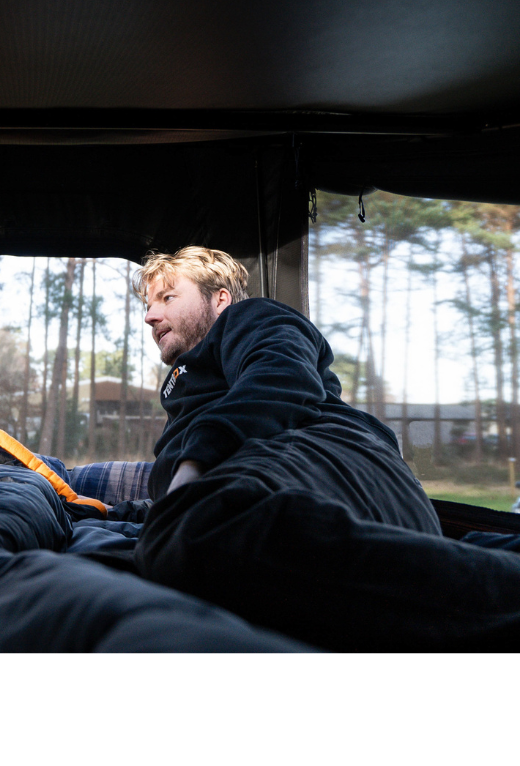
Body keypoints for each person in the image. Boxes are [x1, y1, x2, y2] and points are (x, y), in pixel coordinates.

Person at [128, 247, 520, 651]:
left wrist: (193, 469)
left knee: (188, 532)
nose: (150, 316)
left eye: (168, 298)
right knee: (176, 535)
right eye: (148, 304)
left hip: (324, 446)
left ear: (220, 298)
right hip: (270, 474)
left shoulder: (250, 318)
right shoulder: (182, 386)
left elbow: (282, 376)